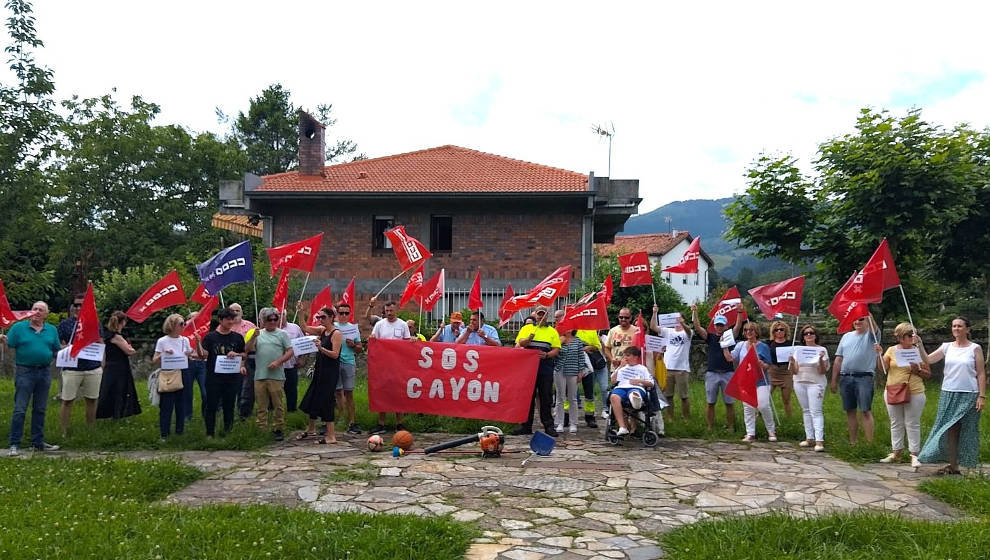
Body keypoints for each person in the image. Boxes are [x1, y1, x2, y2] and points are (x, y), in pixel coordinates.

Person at [918, 316, 986, 474]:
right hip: (948, 392)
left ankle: (967, 466)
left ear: (967, 329)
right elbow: (928, 359)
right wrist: (919, 344)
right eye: (954, 326)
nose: (956, 328)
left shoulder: (975, 348)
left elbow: (981, 373)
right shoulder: (946, 347)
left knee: (968, 429)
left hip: (969, 394)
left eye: (960, 326)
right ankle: (953, 464)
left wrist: (982, 396)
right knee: (949, 429)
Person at [2, 301, 61, 455]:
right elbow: (10, 344)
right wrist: (3, 339)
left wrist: (69, 353)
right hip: (25, 371)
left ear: (46, 314)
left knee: (40, 409)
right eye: (34, 309)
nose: (37, 312)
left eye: (41, 310)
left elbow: (56, 350)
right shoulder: (19, 328)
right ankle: (14, 443)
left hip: (44, 372)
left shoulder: (51, 330)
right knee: (20, 409)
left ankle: (37, 442)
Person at [880, 323, 929, 468]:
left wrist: (917, 370)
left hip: (915, 391)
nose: (912, 338)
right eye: (909, 335)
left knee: (912, 423)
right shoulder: (891, 350)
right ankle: (896, 452)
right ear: (901, 337)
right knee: (895, 422)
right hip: (893, 389)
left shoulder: (918, 351)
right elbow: (883, 369)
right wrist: (878, 354)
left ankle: (914, 454)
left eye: (913, 335)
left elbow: (928, 374)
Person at [692, 303, 744, 432]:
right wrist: (695, 312)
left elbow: (738, 327)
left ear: (726, 325)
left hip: (728, 372)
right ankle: (710, 427)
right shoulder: (710, 337)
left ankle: (731, 427)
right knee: (710, 402)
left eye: (721, 325)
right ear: (714, 326)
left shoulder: (730, 336)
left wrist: (739, 313)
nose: (719, 327)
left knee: (729, 402)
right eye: (717, 325)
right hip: (712, 373)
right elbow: (697, 327)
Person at [830, 314, 881, 444]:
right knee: (850, 410)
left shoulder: (872, 336)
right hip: (846, 377)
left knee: (865, 410)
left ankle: (869, 444)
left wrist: (867, 312)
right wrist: (834, 380)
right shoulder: (846, 336)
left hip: (864, 377)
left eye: (861, 319)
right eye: (856, 319)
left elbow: (874, 327)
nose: (857, 321)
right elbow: (838, 359)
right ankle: (853, 442)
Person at [56, 294, 102, 436]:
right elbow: (58, 344)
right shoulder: (65, 324)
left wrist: (102, 366)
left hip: (92, 367)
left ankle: (90, 429)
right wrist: (66, 347)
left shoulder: (94, 323)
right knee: (67, 400)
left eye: (81, 305)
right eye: (75, 305)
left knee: (92, 399)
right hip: (71, 368)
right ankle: (63, 431)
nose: (78, 308)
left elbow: (100, 343)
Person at [198, 307, 247, 437]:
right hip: (214, 378)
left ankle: (228, 431)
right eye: (228, 319)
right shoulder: (210, 337)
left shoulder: (237, 337)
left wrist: (236, 354)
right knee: (211, 405)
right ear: (220, 320)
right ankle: (210, 433)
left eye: (232, 319)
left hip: (232, 377)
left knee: (229, 405)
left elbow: (244, 354)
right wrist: (198, 344)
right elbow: (203, 355)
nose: (231, 322)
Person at [724, 321, 777, 442]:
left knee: (763, 405)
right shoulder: (740, 345)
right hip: (746, 380)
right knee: (748, 407)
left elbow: (768, 365)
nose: (748, 332)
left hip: (761, 381)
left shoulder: (763, 346)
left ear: (756, 332)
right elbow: (730, 358)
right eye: (746, 330)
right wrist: (724, 346)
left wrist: (761, 364)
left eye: (751, 330)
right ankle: (750, 433)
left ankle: (771, 431)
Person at [247, 307, 294, 441]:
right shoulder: (258, 333)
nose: (273, 321)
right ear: (263, 320)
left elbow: (290, 351)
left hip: (276, 375)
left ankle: (278, 428)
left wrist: (278, 362)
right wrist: (253, 338)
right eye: (269, 319)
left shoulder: (282, 334)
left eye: (275, 319)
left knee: (278, 403)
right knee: (261, 405)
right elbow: (249, 349)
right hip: (260, 374)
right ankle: (261, 428)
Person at [297, 305, 343, 444]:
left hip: (330, 371)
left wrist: (321, 348)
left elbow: (335, 355)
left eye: (323, 317)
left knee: (327, 400)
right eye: (319, 317)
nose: (320, 319)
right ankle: (311, 428)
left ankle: (331, 435)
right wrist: (301, 312)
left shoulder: (336, 333)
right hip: (320, 369)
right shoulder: (323, 330)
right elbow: (305, 328)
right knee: (313, 395)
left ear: (331, 318)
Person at [513, 306, 561, 437]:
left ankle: (548, 426)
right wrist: (528, 339)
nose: (541, 316)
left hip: (545, 367)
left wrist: (547, 355)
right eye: (539, 314)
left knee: (546, 397)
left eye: (543, 314)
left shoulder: (552, 331)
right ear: (535, 316)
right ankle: (526, 425)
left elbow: (556, 349)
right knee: (528, 397)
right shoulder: (527, 328)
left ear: (547, 316)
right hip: (528, 369)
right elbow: (519, 344)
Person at [368, 299, 410, 434]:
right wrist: (372, 339)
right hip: (383, 365)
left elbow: (407, 343)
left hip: (398, 365)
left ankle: (399, 423)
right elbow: (374, 340)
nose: (389, 313)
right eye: (387, 311)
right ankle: (381, 423)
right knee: (383, 392)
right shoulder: (380, 325)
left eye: (391, 310)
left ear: (396, 310)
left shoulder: (403, 325)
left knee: (398, 393)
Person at [152, 313, 195, 440]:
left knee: (181, 404)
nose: (184, 326)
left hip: (183, 372)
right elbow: (154, 359)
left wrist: (189, 354)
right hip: (168, 373)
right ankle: (164, 433)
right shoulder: (162, 341)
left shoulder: (185, 340)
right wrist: (163, 353)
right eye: (181, 324)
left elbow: (190, 356)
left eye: (184, 324)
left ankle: (179, 432)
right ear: (172, 325)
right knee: (166, 404)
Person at [789, 325, 829, 451]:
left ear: (816, 335)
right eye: (806, 333)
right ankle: (809, 437)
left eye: (811, 333)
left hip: (816, 382)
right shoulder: (798, 350)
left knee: (816, 411)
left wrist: (821, 359)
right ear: (803, 337)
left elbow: (823, 371)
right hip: (800, 381)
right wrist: (791, 361)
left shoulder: (822, 350)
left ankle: (819, 440)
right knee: (805, 410)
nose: (809, 335)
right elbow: (794, 371)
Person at [95, 311, 141, 420]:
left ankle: (111, 413)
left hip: (111, 365)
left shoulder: (108, 335)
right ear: (123, 322)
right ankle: (116, 413)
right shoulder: (117, 337)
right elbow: (129, 351)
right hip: (118, 366)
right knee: (119, 390)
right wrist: (132, 348)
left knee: (110, 389)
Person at [651, 306, 693, 421]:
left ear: (683, 319)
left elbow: (689, 331)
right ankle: (670, 418)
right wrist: (655, 313)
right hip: (668, 367)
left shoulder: (687, 332)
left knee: (684, 396)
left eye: (679, 318)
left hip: (682, 369)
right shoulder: (668, 331)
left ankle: (686, 418)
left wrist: (683, 324)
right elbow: (653, 327)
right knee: (668, 395)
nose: (677, 320)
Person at [609, 346, 655, 436]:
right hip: (621, 387)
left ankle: (635, 400)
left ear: (635, 357)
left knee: (634, 393)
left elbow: (651, 383)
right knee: (614, 396)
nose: (625, 358)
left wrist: (639, 381)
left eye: (628, 355)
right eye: (624, 356)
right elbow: (613, 381)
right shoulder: (622, 369)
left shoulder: (642, 368)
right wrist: (620, 367)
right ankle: (623, 427)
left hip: (636, 387)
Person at [602, 308, 638, 419]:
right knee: (617, 394)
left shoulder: (636, 330)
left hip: (632, 369)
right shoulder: (613, 331)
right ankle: (619, 421)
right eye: (621, 317)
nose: (623, 319)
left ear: (631, 318)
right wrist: (612, 358)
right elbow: (607, 348)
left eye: (626, 317)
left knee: (632, 395)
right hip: (617, 368)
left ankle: (632, 422)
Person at [334, 302, 363, 433]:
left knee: (349, 392)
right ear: (337, 314)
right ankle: (340, 417)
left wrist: (353, 345)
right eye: (341, 313)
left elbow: (360, 349)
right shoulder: (332, 326)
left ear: (349, 314)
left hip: (348, 361)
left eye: (346, 313)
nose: (344, 315)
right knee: (337, 392)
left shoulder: (353, 328)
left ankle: (352, 421)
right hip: (334, 362)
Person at [554, 329, 587, 434]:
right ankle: (560, 422)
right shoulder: (558, 339)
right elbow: (554, 354)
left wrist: (580, 371)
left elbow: (581, 357)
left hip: (573, 370)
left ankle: (573, 423)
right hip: (559, 370)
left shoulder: (578, 341)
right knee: (560, 397)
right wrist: (560, 343)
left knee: (573, 398)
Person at [229, 303, 258, 421]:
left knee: (247, 389)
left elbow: (256, 344)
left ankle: (244, 415)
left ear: (241, 312)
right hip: (230, 361)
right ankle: (229, 413)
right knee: (231, 388)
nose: (235, 313)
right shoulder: (226, 326)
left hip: (248, 360)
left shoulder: (250, 325)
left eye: (238, 310)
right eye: (233, 311)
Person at [182, 310, 208, 421]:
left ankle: (206, 414)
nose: (194, 320)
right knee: (187, 391)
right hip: (189, 363)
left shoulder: (205, 333)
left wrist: (198, 342)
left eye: (196, 318)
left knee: (205, 391)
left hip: (203, 363)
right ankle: (187, 416)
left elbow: (206, 352)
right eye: (191, 318)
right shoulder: (183, 335)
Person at [279, 310, 305, 413]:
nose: (281, 317)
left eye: (282, 314)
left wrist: (303, 358)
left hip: (291, 364)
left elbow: (303, 343)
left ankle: (292, 410)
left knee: (291, 389)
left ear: (286, 315)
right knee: (274, 390)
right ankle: (273, 410)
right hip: (275, 366)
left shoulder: (295, 327)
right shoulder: (271, 328)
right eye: (278, 315)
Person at [767, 320, 794, 418]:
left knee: (786, 399)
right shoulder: (769, 344)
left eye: (781, 329)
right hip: (772, 371)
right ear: (773, 332)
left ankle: (789, 419)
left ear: (785, 331)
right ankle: (761, 415)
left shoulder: (791, 343)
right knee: (766, 397)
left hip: (786, 372)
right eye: (776, 330)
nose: (779, 331)